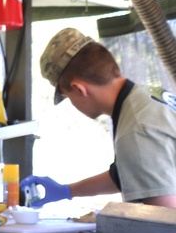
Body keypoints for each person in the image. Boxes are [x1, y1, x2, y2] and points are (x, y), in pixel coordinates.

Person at [22, 28, 176, 208]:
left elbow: (165, 220)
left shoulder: (136, 128)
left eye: (67, 97)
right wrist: (67, 191)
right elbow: (129, 173)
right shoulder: (146, 98)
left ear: (79, 89)